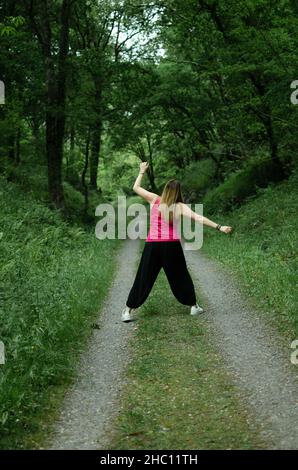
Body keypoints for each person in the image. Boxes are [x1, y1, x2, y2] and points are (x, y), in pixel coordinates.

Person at [122, 162, 233, 322]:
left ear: (165, 189)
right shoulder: (179, 206)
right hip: (171, 246)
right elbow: (198, 218)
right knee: (180, 275)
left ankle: (127, 311)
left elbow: (136, 188)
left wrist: (141, 172)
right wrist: (219, 227)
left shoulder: (154, 199)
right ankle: (193, 307)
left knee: (143, 277)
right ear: (178, 192)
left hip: (152, 245)